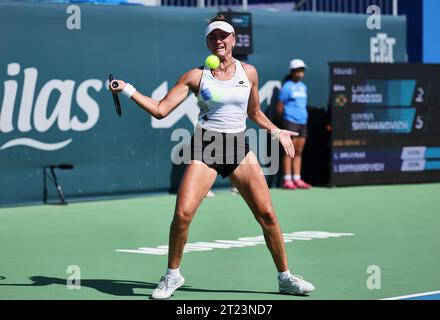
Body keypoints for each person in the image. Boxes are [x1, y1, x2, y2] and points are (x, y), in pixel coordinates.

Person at [109, 15, 315, 299]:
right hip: (205, 146)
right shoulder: (195, 76)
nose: (219, 41)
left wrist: (276, 130)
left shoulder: (249, 72)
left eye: (223, 36)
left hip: (238, 148)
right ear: (207, 42)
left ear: (233, 40)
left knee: (267, 215)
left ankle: (285, 277)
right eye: (212, 37)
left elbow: (254, 112)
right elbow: (160, 109)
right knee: (182, 215)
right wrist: (128, 89)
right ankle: (172, 275)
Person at [277, 59, 312, 190]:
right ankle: (287, 180)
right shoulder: (287, 87)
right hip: (290, 120)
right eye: (298, 70)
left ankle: (297, 178)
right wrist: (282, 121)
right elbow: (280, 105)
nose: (301, 72)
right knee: (289, 151)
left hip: (303, 121)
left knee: (299, 151)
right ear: (292, 71)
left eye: (302, 70)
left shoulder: (304, 87)